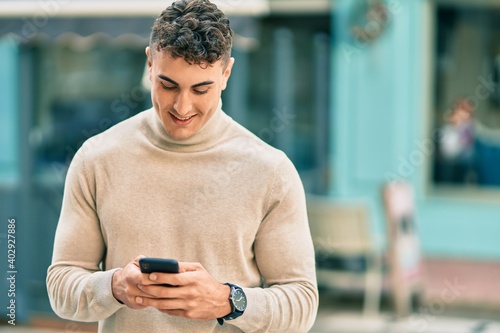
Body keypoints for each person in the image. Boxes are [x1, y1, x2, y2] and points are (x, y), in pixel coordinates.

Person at [46, 0, 318, 332]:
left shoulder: (271, 171)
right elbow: (61, 286)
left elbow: (302, 303)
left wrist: (227, 301)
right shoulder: (97, 159)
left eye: (200, 89)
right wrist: (114, 286)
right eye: (168, 85)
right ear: (149, 63)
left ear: (226, 73)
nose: (182, 106)